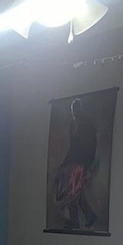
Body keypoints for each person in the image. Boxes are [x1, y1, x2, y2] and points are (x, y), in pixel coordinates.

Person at [54, 97, 98, 229]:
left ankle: (77, 221)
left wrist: (87, 164)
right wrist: (65, 162)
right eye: (72, 110)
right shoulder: (74, 125)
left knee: (73, 194)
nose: (73, 112)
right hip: (74, 163)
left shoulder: (86, 125)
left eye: (75, 110)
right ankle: (88, 216)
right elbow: (72, 147)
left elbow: (89, 146)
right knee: (75, 194)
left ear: (79, 109)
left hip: (81, 163)